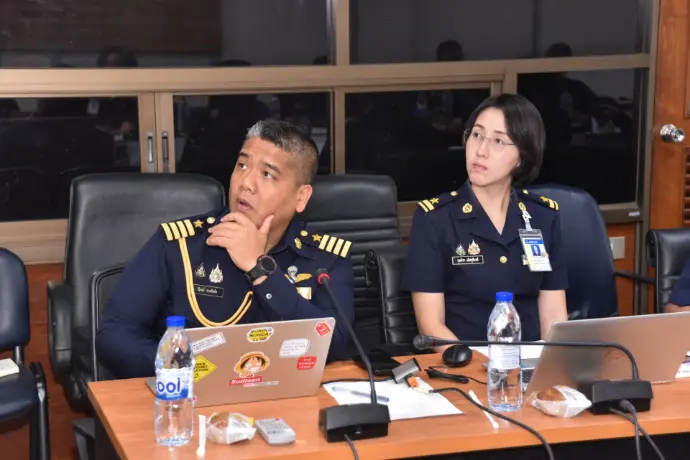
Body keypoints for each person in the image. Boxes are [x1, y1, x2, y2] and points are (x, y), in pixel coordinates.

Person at [96, 120, 355, 378]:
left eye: (267, 174)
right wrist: (184, 368)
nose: (246, 183)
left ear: (301, 197)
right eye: (242, 166)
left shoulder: (325, 260)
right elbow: (114, 334)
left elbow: (338, 343)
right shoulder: (179, 245)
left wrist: (260, 269)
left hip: (287, 395)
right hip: (190, 392)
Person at [402, 94, 568, 349]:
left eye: (498, 141)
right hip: (465, 363)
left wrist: (551, 366)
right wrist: (480, 366)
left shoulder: (543, 217)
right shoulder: (435, 219)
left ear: (522, 157)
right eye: (477, 135)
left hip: (533, 364)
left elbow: (554, 318)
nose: (481, 151)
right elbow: (431, 327)